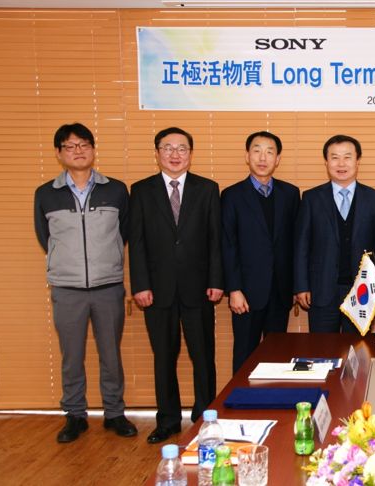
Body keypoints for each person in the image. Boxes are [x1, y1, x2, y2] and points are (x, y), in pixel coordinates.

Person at [34, 122, 137, 443]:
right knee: (71, 356)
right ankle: (75, 415)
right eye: (70, 146)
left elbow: (124, 232)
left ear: (93, 149)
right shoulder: (46, 194)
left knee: (111, 354)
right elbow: (45, 237)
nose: (78, 151)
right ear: (59, 153)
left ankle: (114, 413)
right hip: (67, 289)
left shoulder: (115, 190)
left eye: (84, 144)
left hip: (108, 287)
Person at [129, 127, 224, 444]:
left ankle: (204, 417)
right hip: (157, 290)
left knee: (203, 357)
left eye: (182, 148)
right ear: (157, 152)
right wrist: (140, 285)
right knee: (164, 357)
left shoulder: (207, 189)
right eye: (167, 148)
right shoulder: (141, 190)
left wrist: (216, 281)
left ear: (190, 154)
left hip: (199, 289)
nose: (174, 154)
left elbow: (215, 239)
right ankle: (168, 420)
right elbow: (136, 243)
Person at [293, 134, 375, 333]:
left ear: (357, 161)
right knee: (322, 348)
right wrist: (301, 285)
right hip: (321, 291)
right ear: (326, 162)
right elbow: (301, 245)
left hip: (362, 292)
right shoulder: (311, 198)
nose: (341, 163)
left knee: (359, 348)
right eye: (335, 157)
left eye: (347, 157)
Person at [221, 131, 299, 373]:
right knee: (244, 357)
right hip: (246, 294)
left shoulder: (290, 194)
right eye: (257, 151)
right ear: (247, 156)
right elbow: (228, 245)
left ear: (278, 159)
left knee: (278, 357)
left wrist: (296, 286)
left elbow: (296, 243)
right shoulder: (231, 195)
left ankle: (274, 397)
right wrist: (234, 289)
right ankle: (240, 399)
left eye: (269, 152)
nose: (262, 158)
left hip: (280, 291)